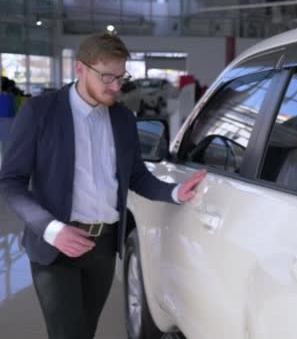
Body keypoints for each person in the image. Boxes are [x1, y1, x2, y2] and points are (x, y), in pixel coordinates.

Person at [0, 33, 206, 339]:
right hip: (55, 246)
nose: (115, 86)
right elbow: (10, 182)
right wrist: (51, 228)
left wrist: (175, 192)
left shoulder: (122, 118)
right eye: (106, 76)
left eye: (120, 77)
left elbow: (135, 175)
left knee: (86, 332)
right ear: (80, 69)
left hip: (103, 247)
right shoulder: (40, 112)